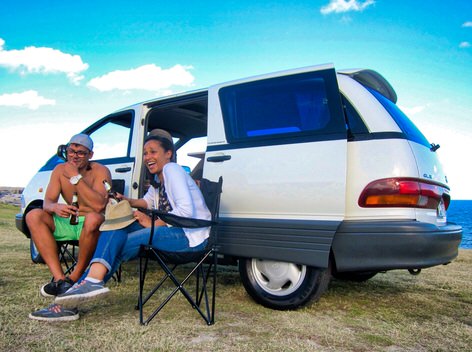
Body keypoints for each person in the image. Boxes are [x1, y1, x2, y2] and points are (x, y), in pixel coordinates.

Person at [30, 129, 211, 321]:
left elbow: (186, 212)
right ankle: (88, 284)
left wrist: (151, 222)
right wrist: (126, 200)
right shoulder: (159, 178)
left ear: (168, 153)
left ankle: (70, 298)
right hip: (171, 230)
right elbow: (147, 202)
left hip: (190, 236)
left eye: (153, 151)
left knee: (119, 244)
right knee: (115, 224)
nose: (147, 157)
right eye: (145, 153)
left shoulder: (172, 169)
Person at [26, 134, 111, 306]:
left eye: (80, 153)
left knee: (94, 218)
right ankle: (60, 280)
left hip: (92, 225)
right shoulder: (59, 170)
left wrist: (75, 178)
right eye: (71, 151)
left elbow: (99, 205)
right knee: (33, 215)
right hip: (68, 221)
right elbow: (47, 202)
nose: (74, 156)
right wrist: (55, 207)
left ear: (90, 155)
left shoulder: (100, 170)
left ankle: (74, 277)